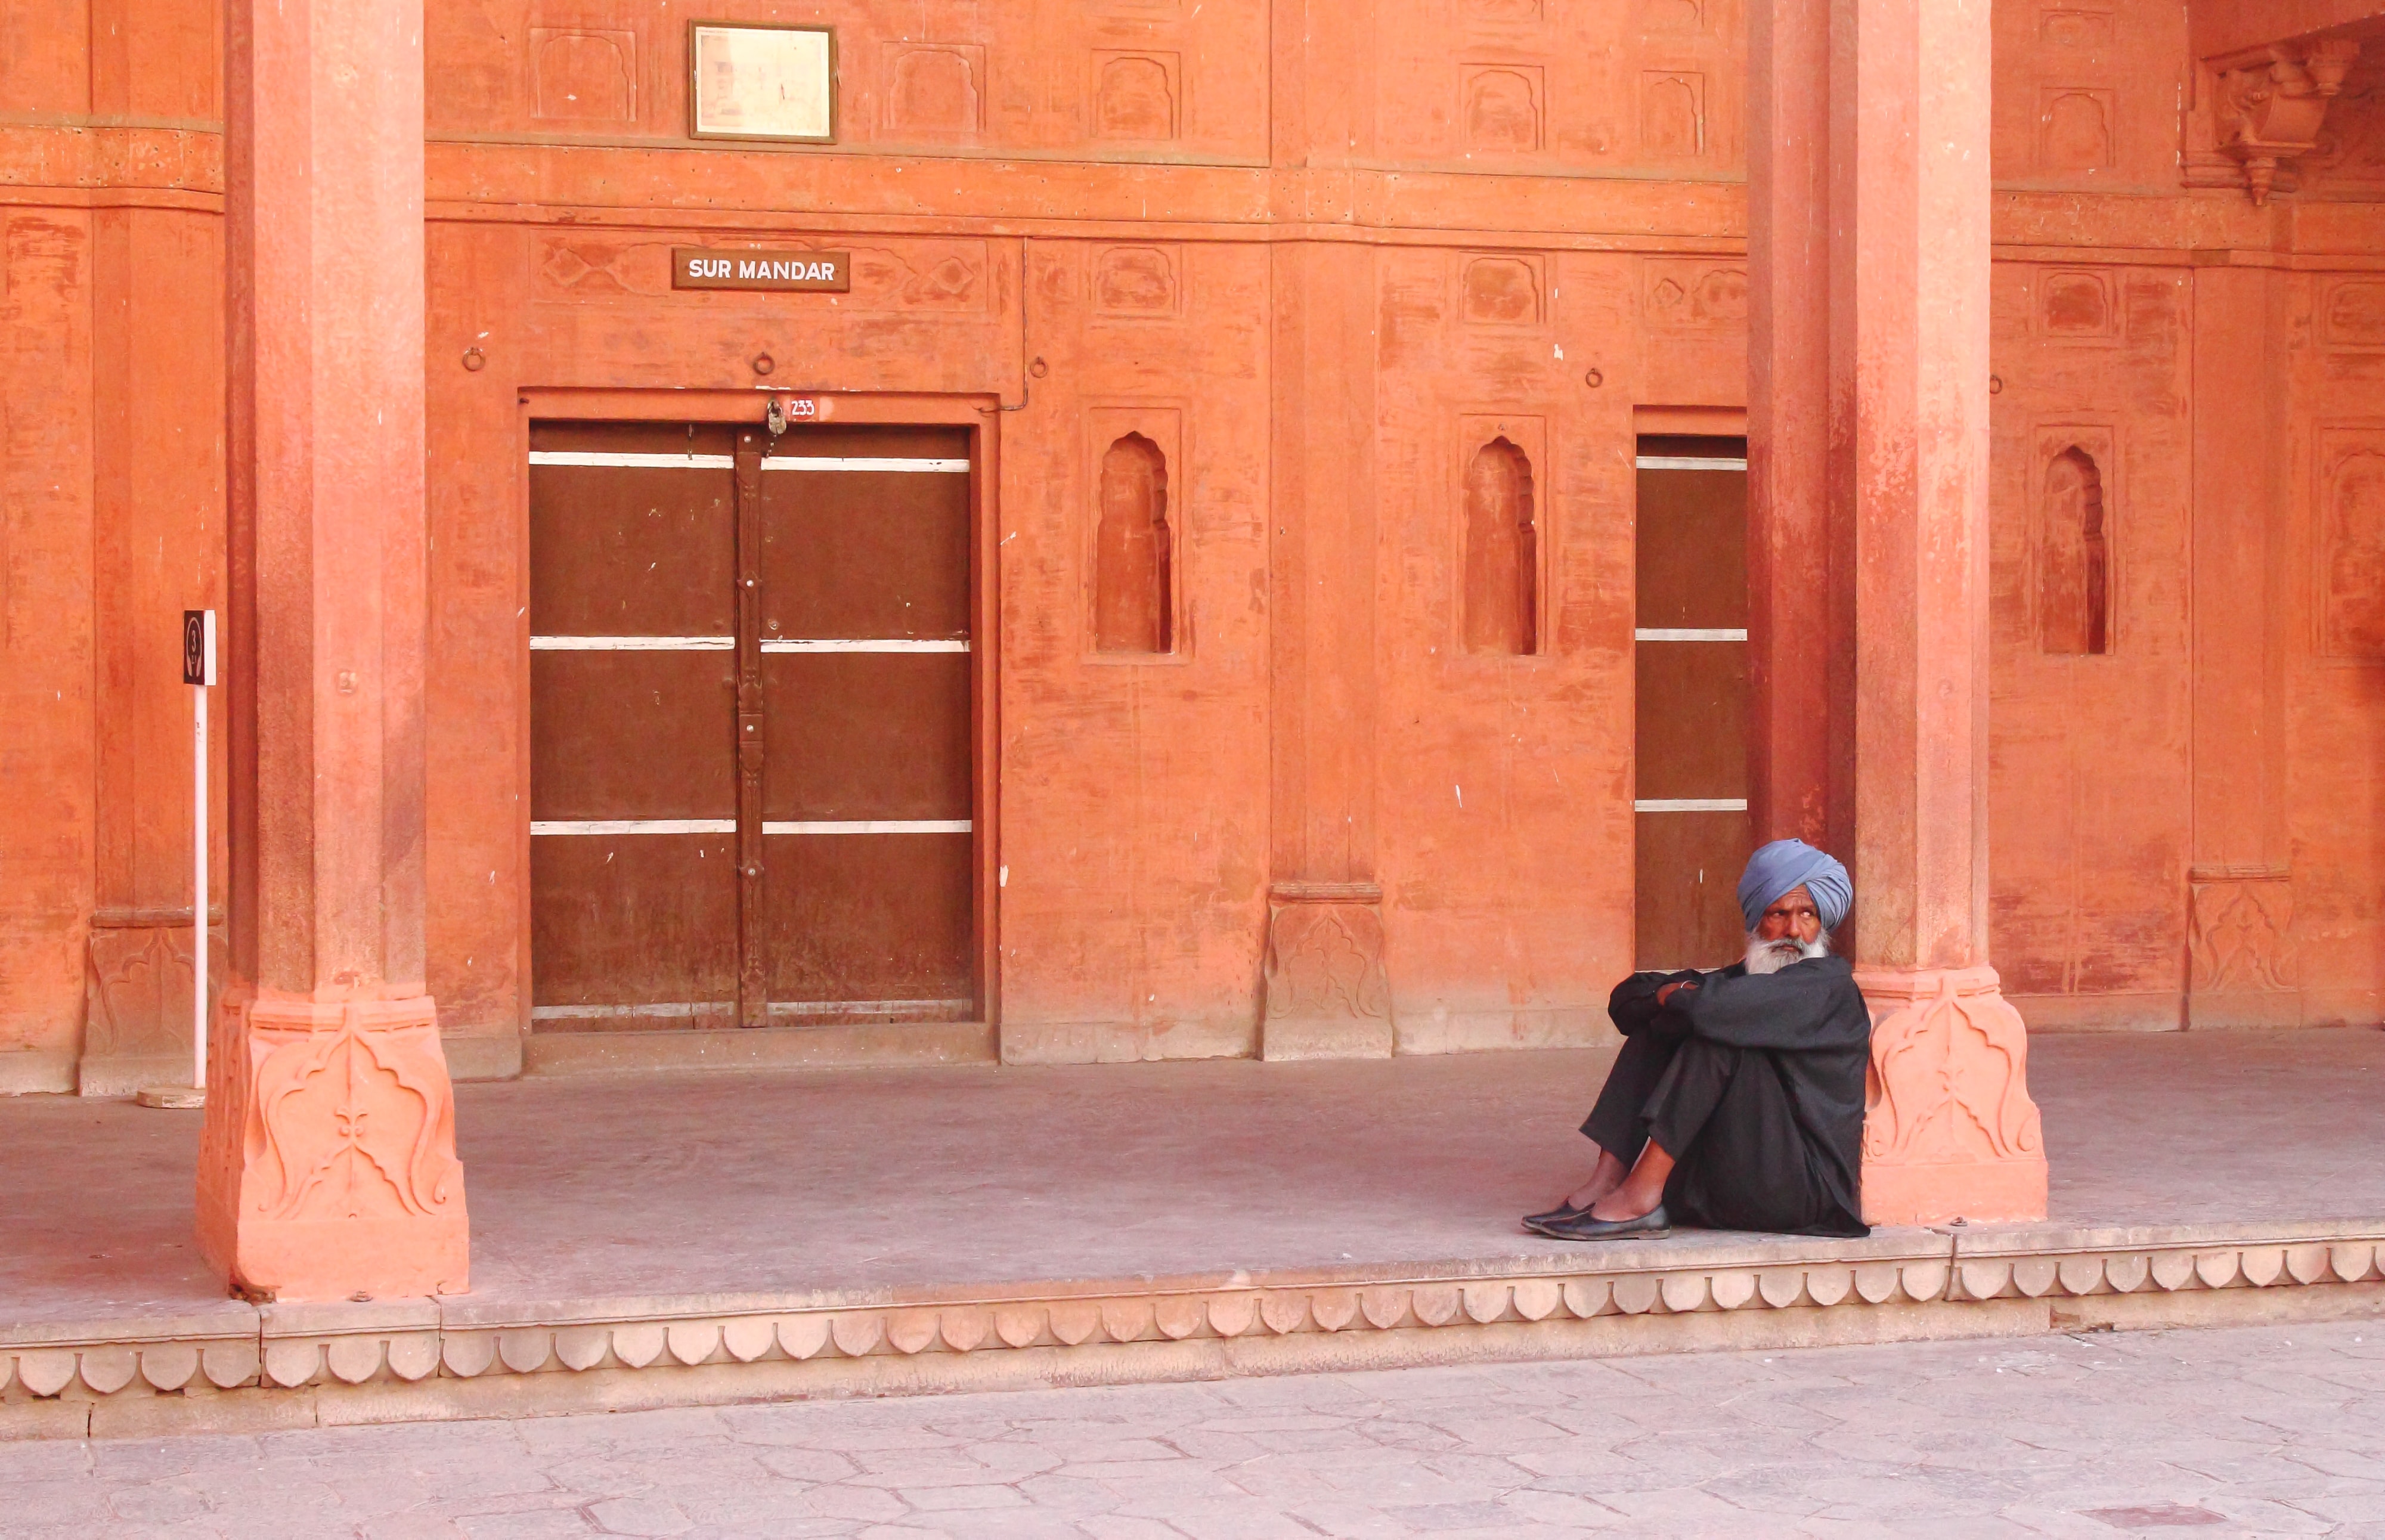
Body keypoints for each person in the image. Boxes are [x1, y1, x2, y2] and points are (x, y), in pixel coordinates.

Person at [1525, 839, 1872, 1241]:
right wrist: (1662, 996)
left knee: (1721, 1031)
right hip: (1719, 1185)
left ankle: (1640, 1198)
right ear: (1756, 921)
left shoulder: (1830, 988)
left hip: (1801, 1190)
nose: (1794, 930)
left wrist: (1683, 998)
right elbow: (1626, 1000)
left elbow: (1711, 1010)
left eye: (1807, 914)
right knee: (1667, 1022)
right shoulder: (1742, 983)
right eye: (1779, 913)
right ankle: (1607, 1180)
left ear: (1821, 922)